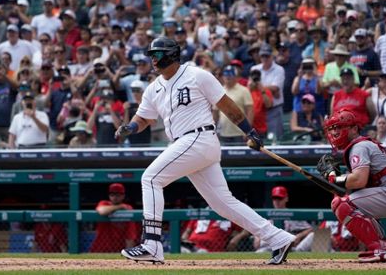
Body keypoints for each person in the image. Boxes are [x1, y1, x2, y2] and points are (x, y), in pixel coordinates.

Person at [117, 37, 295, 264]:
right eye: (151, 54)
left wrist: (248, 131)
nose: (152, 59)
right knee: (222, 203)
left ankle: (151, 243)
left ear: (171, 54)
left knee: (151, 179)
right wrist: (130, 127)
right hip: (187, 144)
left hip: (199, 137)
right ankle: (278, 238)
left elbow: (226, 104)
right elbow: (143, 118)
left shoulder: (197, 75)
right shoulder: (153, 88)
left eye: (157, 54)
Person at [317, 109, 386, 262]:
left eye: (340, 127)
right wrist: (336, 178)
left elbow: (359, 180)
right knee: (350, 203)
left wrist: (335, 178)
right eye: (333, 128)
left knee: (341, 204)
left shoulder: (359, 146)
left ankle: (381, 248)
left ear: (354, 129)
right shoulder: (360, 145)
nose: (335, 132)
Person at [229, 186, 314, 253]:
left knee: (312, 235)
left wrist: (298, 236)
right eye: (275, 198)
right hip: (268, 248)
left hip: (290, 248)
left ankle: (299, 256)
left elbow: (310, 229)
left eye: (280, 198)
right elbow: (256, 227)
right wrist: (256, 237)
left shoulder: (292, 215)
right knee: (259, 252)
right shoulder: (266, 214)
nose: (277, 201)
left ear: (286, 198)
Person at [89, 183, 140, 253]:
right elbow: (102, 211)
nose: (115, 197)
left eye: (118, 194)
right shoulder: (104, 203)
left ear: (123, 196)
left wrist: (128, 253)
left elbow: (130, 237)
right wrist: (119, 207)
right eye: (112, 194)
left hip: (118, 250)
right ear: (109, 195)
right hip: (99, 250)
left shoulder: (128, 209)